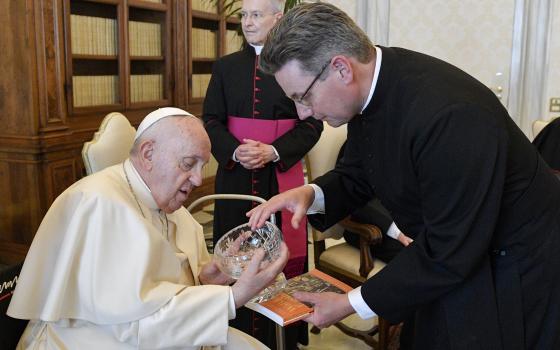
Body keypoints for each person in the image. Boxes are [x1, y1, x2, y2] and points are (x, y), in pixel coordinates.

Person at [248, 3, 560, 350]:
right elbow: (359, 172)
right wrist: (310, 194)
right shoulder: (373, 88)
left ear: (340, 68)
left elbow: (449, 249)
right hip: (449, 255)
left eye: (302, 96)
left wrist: (351, 303)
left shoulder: (449, 116)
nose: (303, 112)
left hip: (511, 267)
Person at [7, 107, 289, 350]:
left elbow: (155, 294)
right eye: (189, 164)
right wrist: (232, 298)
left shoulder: (164, 200)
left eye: (202, 166)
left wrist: (204, 280)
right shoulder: (99, 204)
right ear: (148, 153)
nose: (197, 178)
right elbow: (129, 322)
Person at [202, 0, 322, 348]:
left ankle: (284, 334)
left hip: (280, 179)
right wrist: (236, 151)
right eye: (244, 15)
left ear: (278, 18)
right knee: (232, 255)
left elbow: (313, 121)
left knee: (282, 254)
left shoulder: (297, 64)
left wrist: (274, 150)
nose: (248, 22)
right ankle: (235, 333)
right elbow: (210, 119)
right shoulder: (225, 67)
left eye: (256, 14)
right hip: (235, 175)